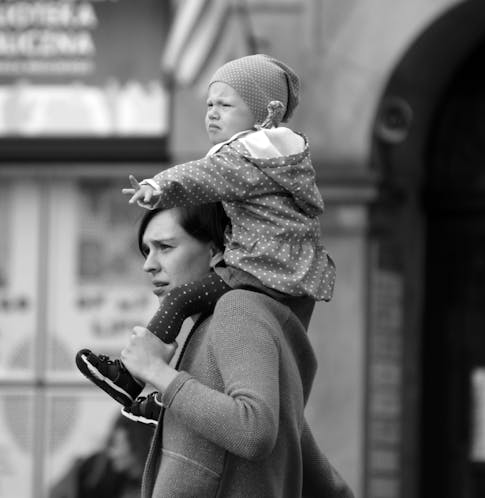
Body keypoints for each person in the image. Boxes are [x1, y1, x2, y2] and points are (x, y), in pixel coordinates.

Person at [76, 54, 335, 408]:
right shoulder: (283, 160)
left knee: (182, 299)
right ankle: (165, 405)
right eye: (210, 103)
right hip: (286, 272)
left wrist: (159, 186)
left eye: (225, 104)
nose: (212, 112)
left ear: (264, 114)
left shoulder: (246, 157)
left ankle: (134, 376)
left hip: (257, 269)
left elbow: (201, 175)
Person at [126, 203, 352, 497]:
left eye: (165, 247)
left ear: (217, 251)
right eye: (147, 251)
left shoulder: (237, 309)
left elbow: (253, 430)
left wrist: (156, 371)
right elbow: (311, 469)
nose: (149, 264)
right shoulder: (216, 323)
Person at [49, 415, 154, 498]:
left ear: (138, 444)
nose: (112, 454)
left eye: (115, 444)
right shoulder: (92, 474)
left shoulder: (152, 482)